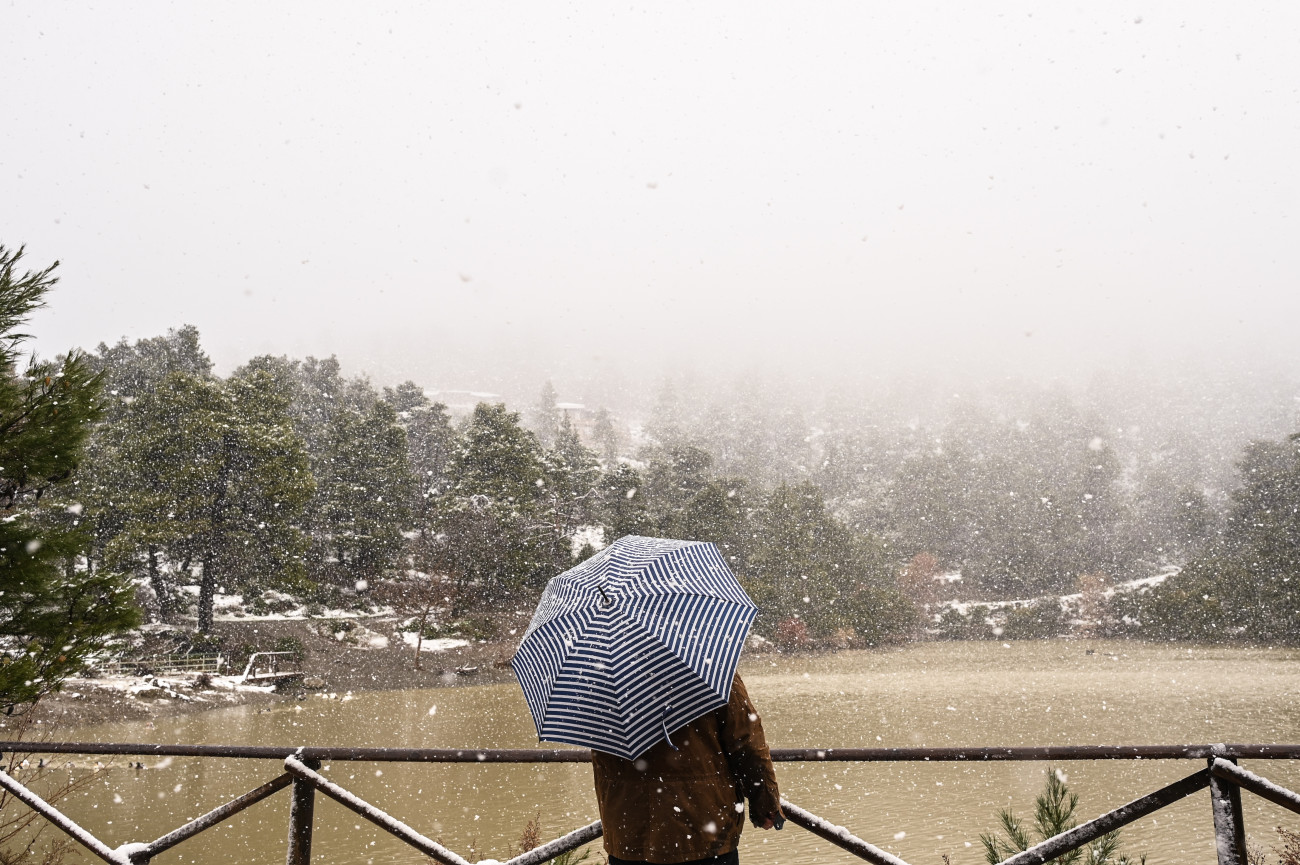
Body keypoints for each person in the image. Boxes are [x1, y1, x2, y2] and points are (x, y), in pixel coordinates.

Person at [590, 673, 782, 865]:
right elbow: (746, 743)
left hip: (628, 833)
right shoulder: (709, 669)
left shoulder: (600, 677)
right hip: (702, 830)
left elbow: (600, 756)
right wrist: (765, 804)